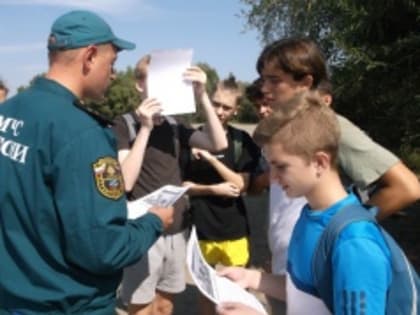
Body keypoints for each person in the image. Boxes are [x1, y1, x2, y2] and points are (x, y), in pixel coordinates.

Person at [0, 10, 175, 315]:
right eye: (113, 63)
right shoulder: (83, 134)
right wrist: (153, 222)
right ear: (90, 56)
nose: (114, 74)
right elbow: (104, 248)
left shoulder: (9, 111)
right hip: (65, 303)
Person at [248, 37, 420, 315]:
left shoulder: (329, 128)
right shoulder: (308, 212)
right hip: (299, 271)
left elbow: (407, 187)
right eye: (262, 79)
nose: (264, 88)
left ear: (304, 82)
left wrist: (343, 231)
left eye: (274, 80)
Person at [216, 93, 403, 315]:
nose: (272, 178)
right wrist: (252, 278)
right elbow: (308, 292)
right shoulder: (310, 214)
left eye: (281, 166)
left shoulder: (353, 243)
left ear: (319, 162)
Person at [113, 54, 228, 315]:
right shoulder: (125, 124)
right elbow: (125, 181)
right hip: (143, 230)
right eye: (154, 80)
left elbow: (218, 143)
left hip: (176, 228)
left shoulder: (176, 124)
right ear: (139, 85)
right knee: (140, 307)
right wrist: (145, 128)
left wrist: (203, 96)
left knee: (165, 305)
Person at [182, 75, 262, 315]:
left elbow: (241, 184)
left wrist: (209, 158)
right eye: (215, 103)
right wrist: (211, 189)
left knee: (235, 295)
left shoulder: (241, 141)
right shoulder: (191, 138)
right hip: (202, 228)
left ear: (236, 110)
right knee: (206, 294)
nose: (219, 111)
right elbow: (182, 185)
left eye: (226, 107)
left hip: (234, 230)